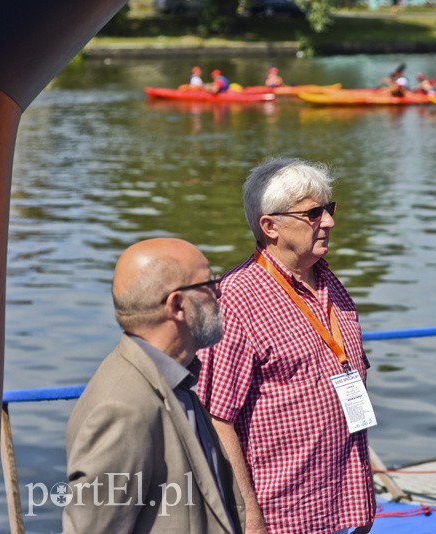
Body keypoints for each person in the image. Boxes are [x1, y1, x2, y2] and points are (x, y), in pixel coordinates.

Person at [196, 158, 376, 534]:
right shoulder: (236, 299)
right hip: (283, 515)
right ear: (270, 226)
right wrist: (249, 516)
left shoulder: (330, 284)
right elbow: (215, 417)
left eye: (329, 209)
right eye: (313, 213)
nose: (328, 222)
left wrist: (363, 502)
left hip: (345, 503)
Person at [64, 238, 245, 533]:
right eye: (208, 283)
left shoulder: (177, 378)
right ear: (177, 305)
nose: (219, 291)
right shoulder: (122, 409)